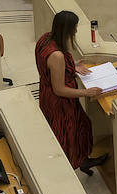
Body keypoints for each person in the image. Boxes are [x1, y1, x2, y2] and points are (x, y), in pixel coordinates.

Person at [36, 11, 106, 175]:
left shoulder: (45, 39)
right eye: (74, 28)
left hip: (47, 95)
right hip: (59, 104)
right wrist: (86, 92)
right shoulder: (57, 56)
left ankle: (83, 160)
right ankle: (70, 167)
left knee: (82, 125)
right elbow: (59, 89)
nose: (75, 31)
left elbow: (49, 67)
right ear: (66, 29)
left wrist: (71, 65)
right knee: (69, 135)